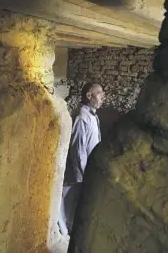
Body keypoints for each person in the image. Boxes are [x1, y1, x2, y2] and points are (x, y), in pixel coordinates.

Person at [58, 83, 105, 236]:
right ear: (89, 96)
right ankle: (64, 228)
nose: (103, 96)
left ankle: (67, 226)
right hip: (80, 170)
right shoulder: (81, 117)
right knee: (68, 198)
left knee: (73, 198)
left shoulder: (92, 115)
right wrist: (83, 174)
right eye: (99, 93)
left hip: (87, 168)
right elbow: (78, 150)